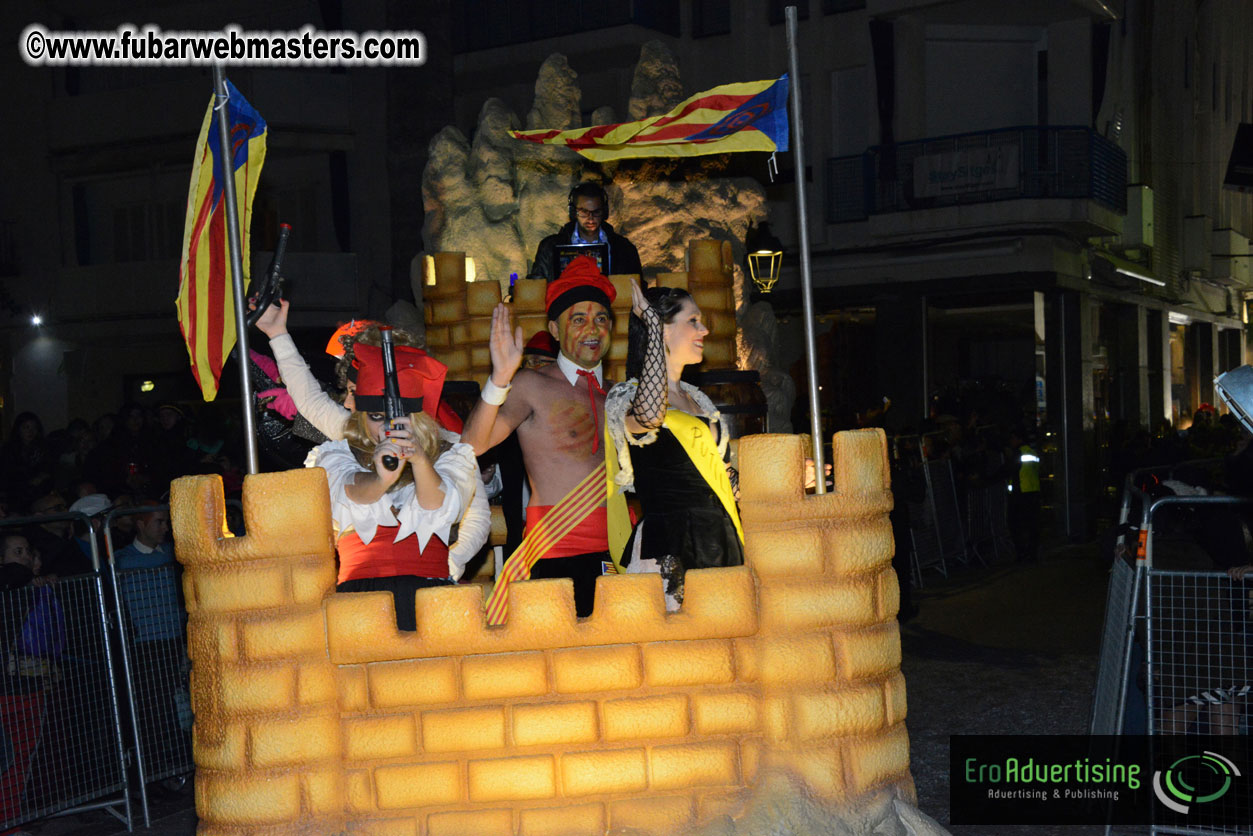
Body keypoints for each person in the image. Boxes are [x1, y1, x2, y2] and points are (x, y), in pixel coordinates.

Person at [252, 300, 490, 573]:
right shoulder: (353, 436)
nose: (349, 403)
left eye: (357, 392)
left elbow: (477, 520)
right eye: (353, 392)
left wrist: (447, 565)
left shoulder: (448, 447)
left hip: (432, 584)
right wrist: (277, 334)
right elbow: (311, 402)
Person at [463, 257, 631, 618]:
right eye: (579, 319)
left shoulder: (619, 395)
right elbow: (474, 445)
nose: (592, 329)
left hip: (619, 553)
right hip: (556, 552)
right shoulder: (531, 385)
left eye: (602, 319)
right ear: (555, 329)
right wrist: (499, 379)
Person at [314, 327, 482, 631]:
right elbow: (351, 490)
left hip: (432, 600)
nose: (385, 428)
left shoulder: (450, 456)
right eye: (375, 417)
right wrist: (381, 479)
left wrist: (419, 459)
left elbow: (440, 506)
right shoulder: (336, 454)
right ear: (361, 417)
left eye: (396, 417)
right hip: (360, 603)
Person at [605, 282, 744, 610]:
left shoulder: (698, 398)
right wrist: (651, 326)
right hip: (671, 547)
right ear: (664, 332)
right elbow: (650, 417)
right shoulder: (627, 397)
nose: (704, 329)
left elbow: (719, 475)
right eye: (692, 321)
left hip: (720, 538)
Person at [112, 504, 189, 775]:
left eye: (166, 523)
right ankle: (154, 770)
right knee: (153, 708)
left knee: (175, 705)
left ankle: (174, 764)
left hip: (175, 639)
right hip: (147, 645)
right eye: (159, 523)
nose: (165, 529)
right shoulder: (125, 560)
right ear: (141, 525)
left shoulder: (167, 554)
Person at [526, 182, 641, 280]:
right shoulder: (549, 247)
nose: (590, 218)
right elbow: (537, 286)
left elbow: (638, 288)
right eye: (583, 212)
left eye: (596, 212)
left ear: (604, 212)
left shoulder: (625, 249)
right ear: (573, 212)